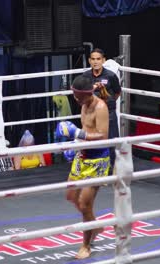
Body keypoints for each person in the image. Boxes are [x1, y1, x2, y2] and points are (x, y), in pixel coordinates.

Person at [56, 75, 110, 259]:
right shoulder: (83, 103)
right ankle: (94, 225)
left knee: (85, 204)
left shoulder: (101, 108)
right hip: (83, 154)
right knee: (71, 196)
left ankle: (86, 245)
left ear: (88, 94)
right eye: (75, 96)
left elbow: (103, 137)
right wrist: (75, 144)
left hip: (97, 160)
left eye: (79, 97)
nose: (77, 100)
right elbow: (86, 129)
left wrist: (78, 134)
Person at [82, 48, 121, 169]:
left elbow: (117, 92)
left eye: (98, 59)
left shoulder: (110, 75)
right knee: (92, 140)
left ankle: (111, 170)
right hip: (91, 113)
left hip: (109, 113)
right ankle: (93, 169)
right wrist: (93, 88)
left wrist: (107, 103)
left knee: (111, 141)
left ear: (103, 60)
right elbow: (82, 93)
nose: (95, 62)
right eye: (93, 59)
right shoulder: (86, 76)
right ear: (89, 60)